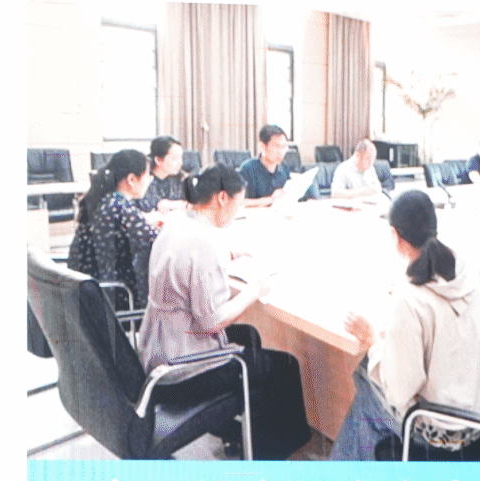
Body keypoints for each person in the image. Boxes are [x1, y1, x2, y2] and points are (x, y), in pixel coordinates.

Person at [139, 164, 312, 458]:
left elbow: (188, 262)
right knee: (285, 366)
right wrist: (254, 291)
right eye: (238, 203)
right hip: (182, 367)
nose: (238, 211)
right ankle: (274, 454)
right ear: (222, 198)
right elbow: (212, 322)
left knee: (251, 338)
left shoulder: (178, 223)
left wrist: (229, 254)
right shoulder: (202, 243)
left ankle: (243, 433)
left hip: (157, 347)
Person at [331, 191, 480, 460]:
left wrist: (372, 339)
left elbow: (400, 392)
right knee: (376, 375)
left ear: (395, 235)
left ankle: (346, 467)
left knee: (366, 374)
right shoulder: (464, 268)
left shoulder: (408, 299)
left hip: (446, 432)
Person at [70, 149, 160, 294]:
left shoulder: (106, 200)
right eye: (148, 175)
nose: (150, 180)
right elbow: (160, 242)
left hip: (90, 291)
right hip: (115, 293)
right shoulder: (121, 208)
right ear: (131, 179)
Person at [237, 125, 294, 206]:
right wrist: (271, 199)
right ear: (262, 146)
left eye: (284, 147)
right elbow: (238, 202)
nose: (281, 152)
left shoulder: (284, 168)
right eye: (277, 146)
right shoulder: (247, 169)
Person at [136, 136, 186, 212]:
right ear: (158, 160)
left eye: (181, 158)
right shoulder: (142, 181)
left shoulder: (181, 179)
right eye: (174, 158)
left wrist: (173, 204)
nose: (180, 163)